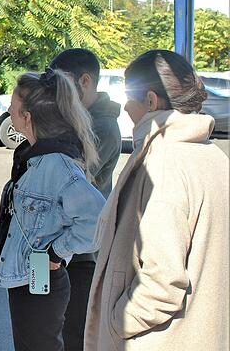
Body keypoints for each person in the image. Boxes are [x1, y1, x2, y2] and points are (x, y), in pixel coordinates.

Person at [85, 50, 229, 351]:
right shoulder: (212, 154)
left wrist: (116, 322)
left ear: (151, 101)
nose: (124, 107)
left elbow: (163, 282)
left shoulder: (163, 162)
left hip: (159, 340)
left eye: (129, 97)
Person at [0, 68, 106, 351]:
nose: (9, 112)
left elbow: (97, 219)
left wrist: (56, 252)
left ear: (26, 117)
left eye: (12, 107)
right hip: (28, 278)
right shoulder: (35, 156)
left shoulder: (57, 164)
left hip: (41, 282)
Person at [49, 48, 121, 351]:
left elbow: (63, 182)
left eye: (62, 84)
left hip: (82, 255)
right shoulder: (80, 119)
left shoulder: (101, 127)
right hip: (64, 251)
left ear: (85, 81)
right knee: (55, 328)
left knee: (74, 335)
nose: (57, 93)